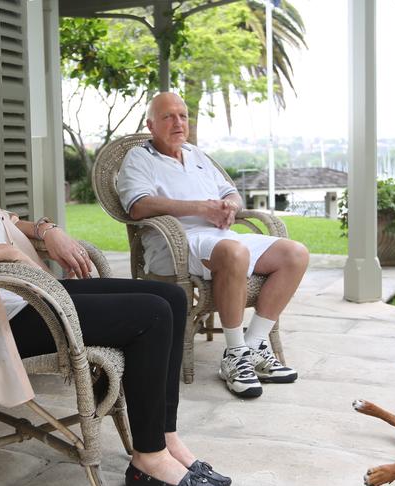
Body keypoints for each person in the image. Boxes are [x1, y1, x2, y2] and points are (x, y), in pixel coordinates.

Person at [0, 71, 228, 486]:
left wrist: (46, 230)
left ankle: (166, 437)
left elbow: (5, 220)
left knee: (168, 298)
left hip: (27, 296)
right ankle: (148, 459)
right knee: (150, 317)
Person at [117, 92, 310, 400]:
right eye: (168, 117)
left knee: (295, 254)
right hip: (177, 242)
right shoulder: (140, 158)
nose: (178, 122)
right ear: (151, 125)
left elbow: (231, 192)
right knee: (235, 253)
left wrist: (229, 207)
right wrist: (200, 208)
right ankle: (234, 356)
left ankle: (255, 344)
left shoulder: (196, 155)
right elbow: (138, 207)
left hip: (219, 236)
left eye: (182, 116)